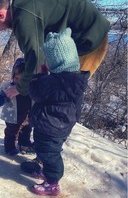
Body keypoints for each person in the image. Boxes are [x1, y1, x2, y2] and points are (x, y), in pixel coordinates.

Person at [0, 0, 110, 99]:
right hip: (80, 36)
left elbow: (36, 58)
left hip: (89, 39)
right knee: (53, 86)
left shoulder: (24, 17)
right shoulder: (22, 5)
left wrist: (19, 88)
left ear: (0, 14)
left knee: (65, 92)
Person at [26, 28, 89, 196]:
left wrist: (38, 76)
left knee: (48, 153)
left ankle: (52, 182)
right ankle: (49, 173)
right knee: (52, 150)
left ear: (56, 62)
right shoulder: (77, 80)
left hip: (48, 127)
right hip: (63, 126)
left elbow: (35, 93)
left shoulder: (52, 82)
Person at [0, 58, 34, 155]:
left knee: (26, 130)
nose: (18, 82)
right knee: (11, 132)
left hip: (27, 116)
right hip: (13, 116)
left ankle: (24, 144)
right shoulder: (9, 87)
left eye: (22, 80)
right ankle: (9, 147)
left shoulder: (31, 88)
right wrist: (0, 99)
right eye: (16, 78)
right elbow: (3, 95)